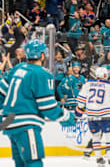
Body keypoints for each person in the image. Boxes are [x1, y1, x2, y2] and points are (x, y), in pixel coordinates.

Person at [0, 39, 75, 167]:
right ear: (42, 55)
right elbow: (47, 107)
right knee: (33, 162)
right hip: (26, 125)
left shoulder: (18, 68)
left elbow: (2, 91)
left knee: (21, 164)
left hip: (9, 124)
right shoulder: (42, 73)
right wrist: (66, 117)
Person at [75, 67, 110, 166]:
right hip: (105, 116)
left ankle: (99, 159)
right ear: (105, 75)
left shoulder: (87, 84)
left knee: (96, 137)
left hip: (91, 116)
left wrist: (78, 113)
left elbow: (80, 101)